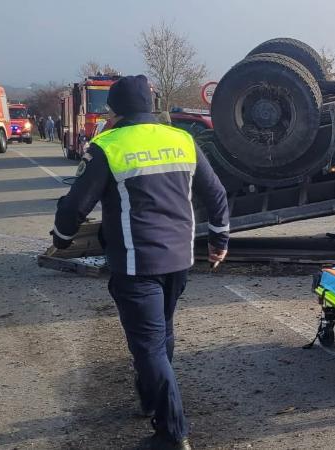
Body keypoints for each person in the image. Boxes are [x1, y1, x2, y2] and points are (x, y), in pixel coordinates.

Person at [50, 75, 229, 450]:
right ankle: (151, 399)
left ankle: (172, 433)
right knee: (161, 333)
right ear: (150, 105)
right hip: (180, 258)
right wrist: (219, 241)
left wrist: (62, 238)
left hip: (136, 263)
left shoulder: (107, 146)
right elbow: (215, 193)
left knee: (148, 346)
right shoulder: (182, 139)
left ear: (114, 111)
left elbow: (75, 206)